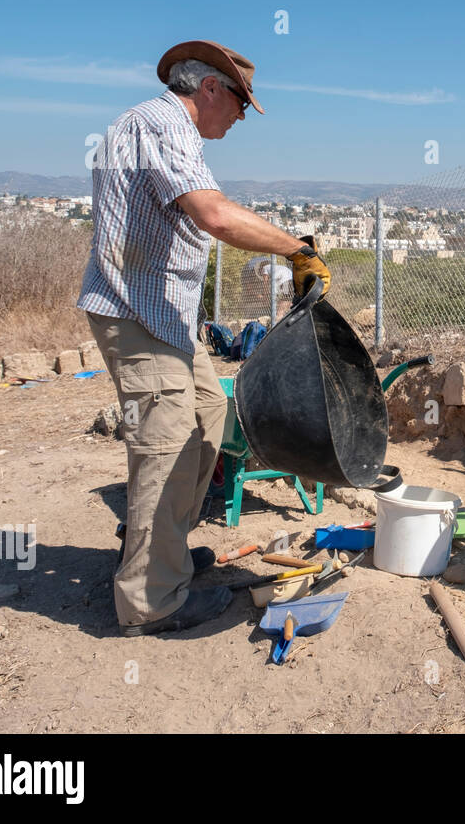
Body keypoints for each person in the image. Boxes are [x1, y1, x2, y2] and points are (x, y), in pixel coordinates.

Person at [77, 39, 332, 637]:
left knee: (208, 414)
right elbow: (214, 215)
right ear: (211, 88)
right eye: (240, 104)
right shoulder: (161, 124)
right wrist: (297, 248)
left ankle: (162, 554)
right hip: (136, 312)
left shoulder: (168, 130)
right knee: (163, 450)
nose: (241, 117)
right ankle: (149, 603)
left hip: (163, 318)